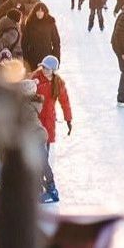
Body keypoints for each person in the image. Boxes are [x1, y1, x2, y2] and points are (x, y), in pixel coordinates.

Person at [30, 55, 71, 203]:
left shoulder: (57, 83)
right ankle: (39, 185)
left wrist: (68, 119)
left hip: (48, 124)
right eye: (43, 66)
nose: (44, 69)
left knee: (44, 157)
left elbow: (64, 101)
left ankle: (48, 187)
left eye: (47, 68)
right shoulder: (35, 77)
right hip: (36, 123)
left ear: (53, 70)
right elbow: (28, 89)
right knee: (38, 156)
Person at [21, 2, 61, 71]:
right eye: (38, 11)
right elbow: (24, 43)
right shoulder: (30, 23)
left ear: (45, 12)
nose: (39, 13)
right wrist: (26, 59)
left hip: (47, 57)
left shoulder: (50, 23)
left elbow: (56, 42)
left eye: (41, 11)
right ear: (35, 12)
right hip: (33, 58)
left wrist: (56, 58)